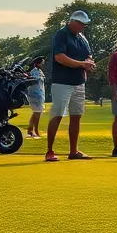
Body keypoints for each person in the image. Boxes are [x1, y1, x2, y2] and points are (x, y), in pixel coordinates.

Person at [45, 11, 97, 162]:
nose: (83, 27)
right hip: (62, 82)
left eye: (84, 24)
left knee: (76, 116)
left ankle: (74, 151)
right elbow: (59, 57)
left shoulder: (82, 37)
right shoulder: (61, 34)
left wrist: (89, 62)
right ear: (72, 22)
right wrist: (82, 64)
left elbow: (88, 55)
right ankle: (49, 151)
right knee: (58, 114)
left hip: (79, 82)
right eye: (81, 24)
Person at [26, 58, 45, 138]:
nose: (42, 64)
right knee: (37, 113)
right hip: (35, 95)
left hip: (40, 94)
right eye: (41, 63)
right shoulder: (34, 72)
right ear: (37, 63)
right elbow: (34, 81)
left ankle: (30, 130)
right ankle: (36, 131)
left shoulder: (40, 71)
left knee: (36, 113)